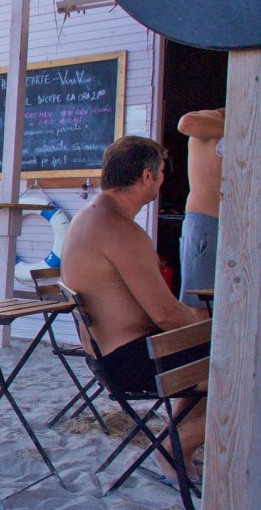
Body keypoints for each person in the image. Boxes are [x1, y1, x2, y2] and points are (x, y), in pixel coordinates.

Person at [61, 135, 208, 480]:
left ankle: (176, 448)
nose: (162, 180)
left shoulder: (89, 217)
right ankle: (173, 448)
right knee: (241, 368)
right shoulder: (119, 230)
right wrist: (212, 327)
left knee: (211, 355)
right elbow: (166, 316)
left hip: (109, 358)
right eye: (161, 173)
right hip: (131, 361)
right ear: (147, 176)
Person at [177, 107, 225, 307]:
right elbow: (186, 123)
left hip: (239, 230)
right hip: (207, 224)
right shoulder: (214, 119)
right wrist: (241, 129)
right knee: (200, 306)